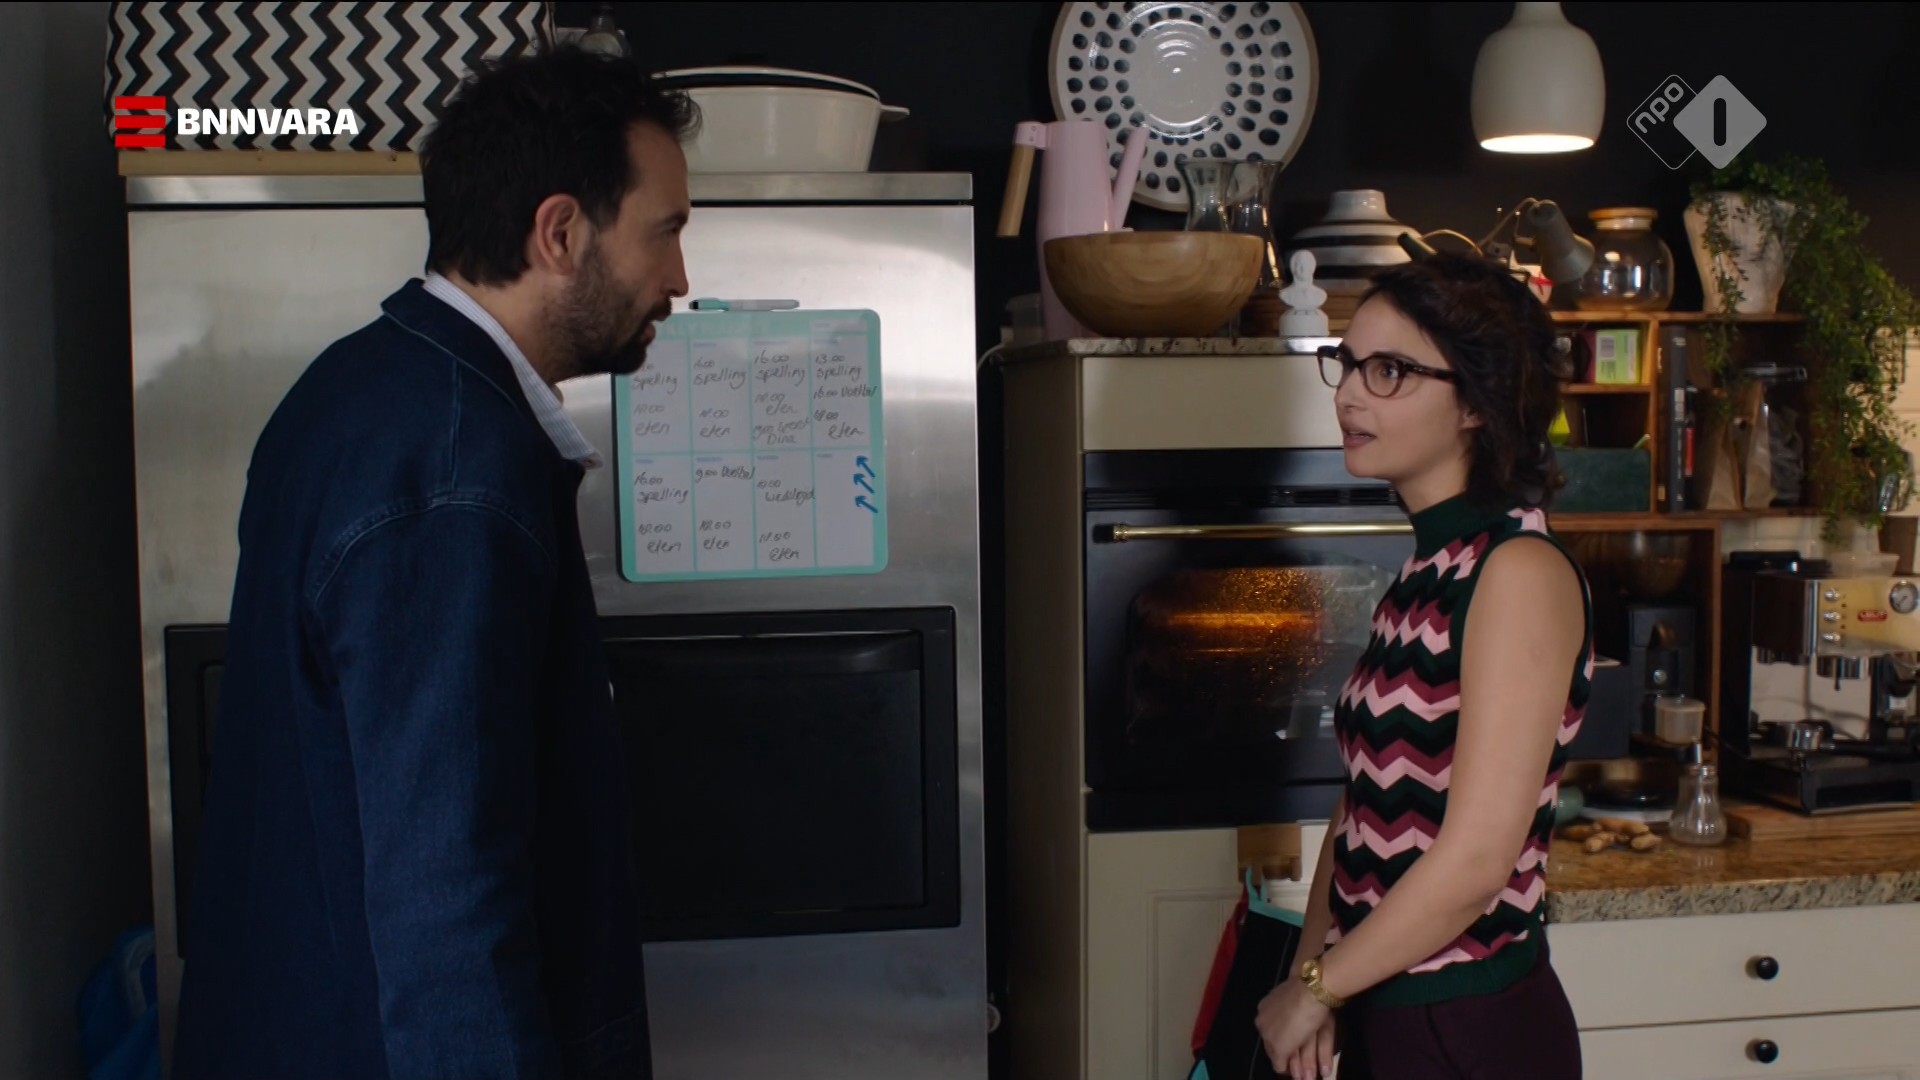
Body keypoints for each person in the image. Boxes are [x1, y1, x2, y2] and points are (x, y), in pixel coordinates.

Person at [171, 47, 695, 1080]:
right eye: (666, 231)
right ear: (559, 233)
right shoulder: (456, 473)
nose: (680, 278)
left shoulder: (359, 384)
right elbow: (444, 893)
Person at [1254, 253, 1590, 1080]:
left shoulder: (1515, 571)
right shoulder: (1431, 568)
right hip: (1387, 1005)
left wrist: (1320, 988)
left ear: (1476, 402)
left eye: (1390, 371)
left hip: (1470, 1027)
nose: (1348, 393)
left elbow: (1475, 864)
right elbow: (1361, 806)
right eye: (1348, 363)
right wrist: (1313, 973)